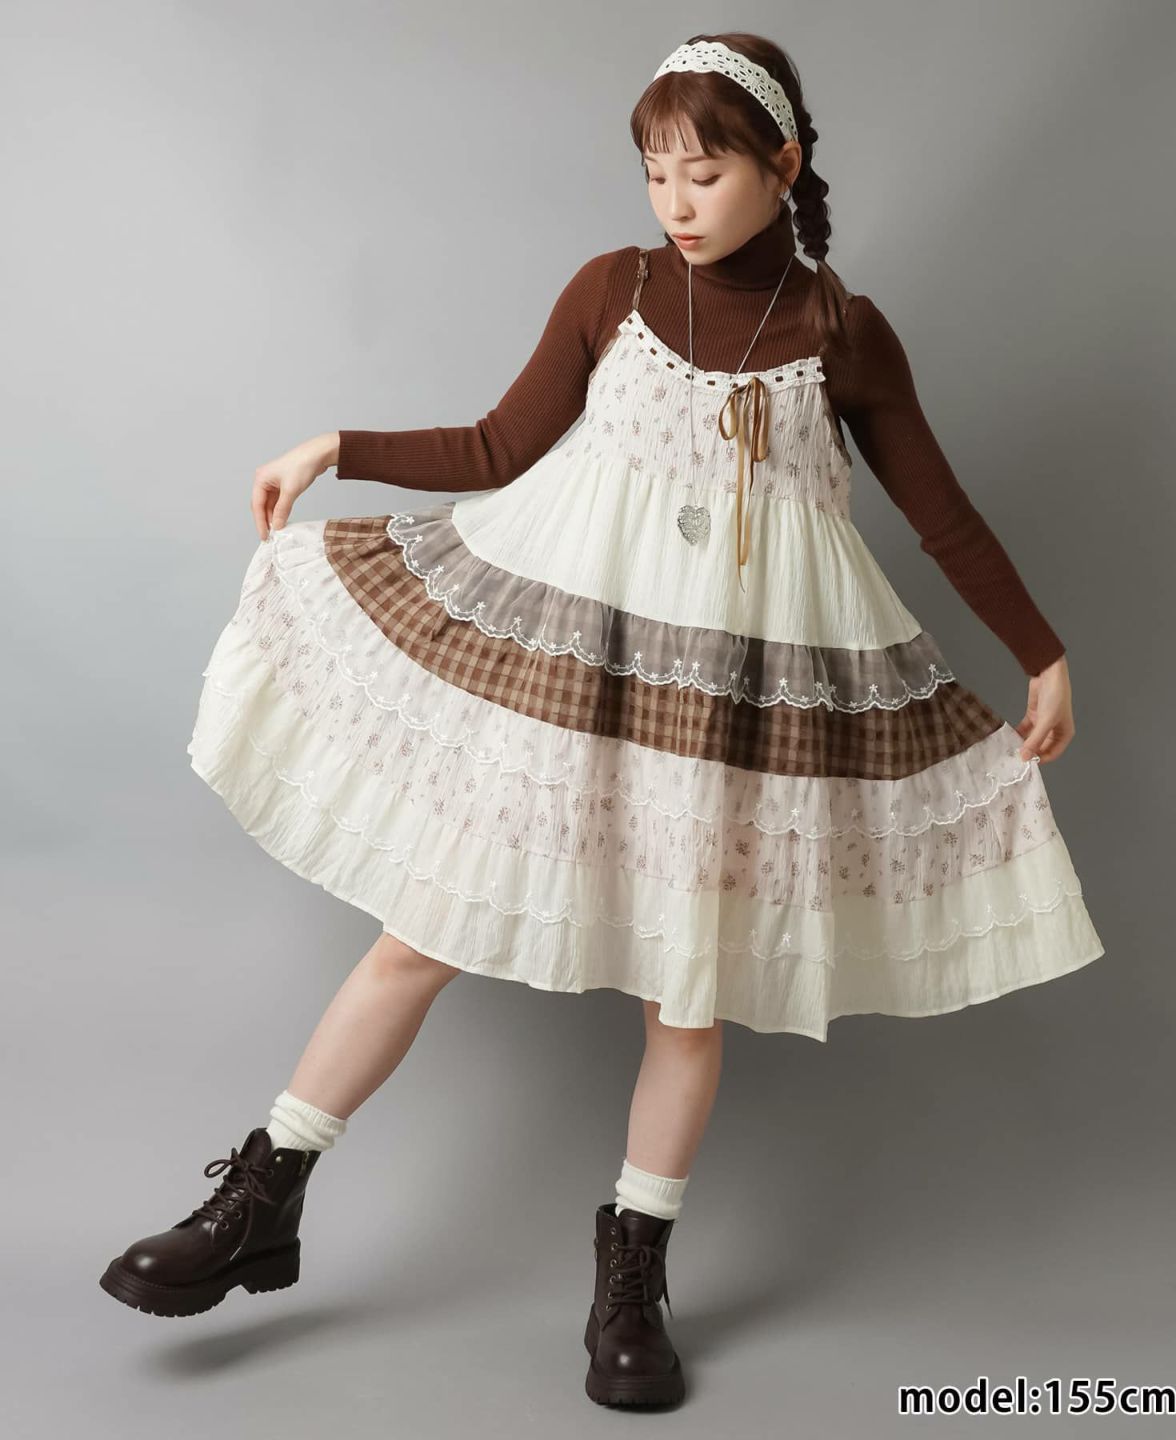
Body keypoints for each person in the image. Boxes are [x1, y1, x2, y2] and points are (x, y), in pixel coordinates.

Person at [99, 31, 1104, 1410]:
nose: (676, 201)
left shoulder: (841, 333)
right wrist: (337, 446)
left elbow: (942, 515)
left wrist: (1043, 656)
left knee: (685, 997)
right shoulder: (611, 290)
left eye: (706, 172)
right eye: (654, 173)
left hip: (727, 714)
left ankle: (632, 1277)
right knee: (423, 930)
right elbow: (498, 448)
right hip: (579, 682)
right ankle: (262, 1198)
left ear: (782, 167)